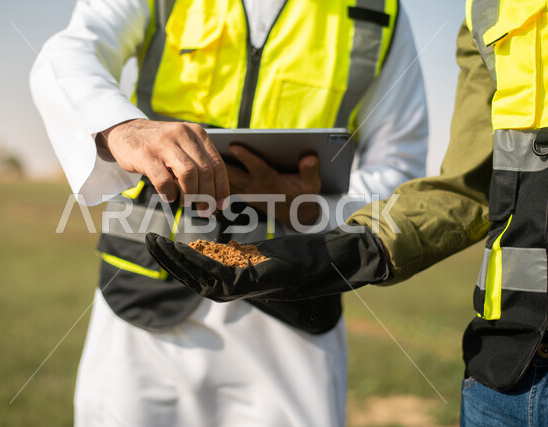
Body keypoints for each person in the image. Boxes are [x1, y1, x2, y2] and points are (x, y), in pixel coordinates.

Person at [148, 1, 548, 425]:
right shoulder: (492, 8)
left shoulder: (380, 16)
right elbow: (470, 188)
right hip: (507, 369)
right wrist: (336, 252)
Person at [30, 0, 428, 425]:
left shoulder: (377, 10)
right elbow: (70, 51)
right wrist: (122, 127)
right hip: (140, 294)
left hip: (293, 300)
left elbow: (399, 165)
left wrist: (316, 211)